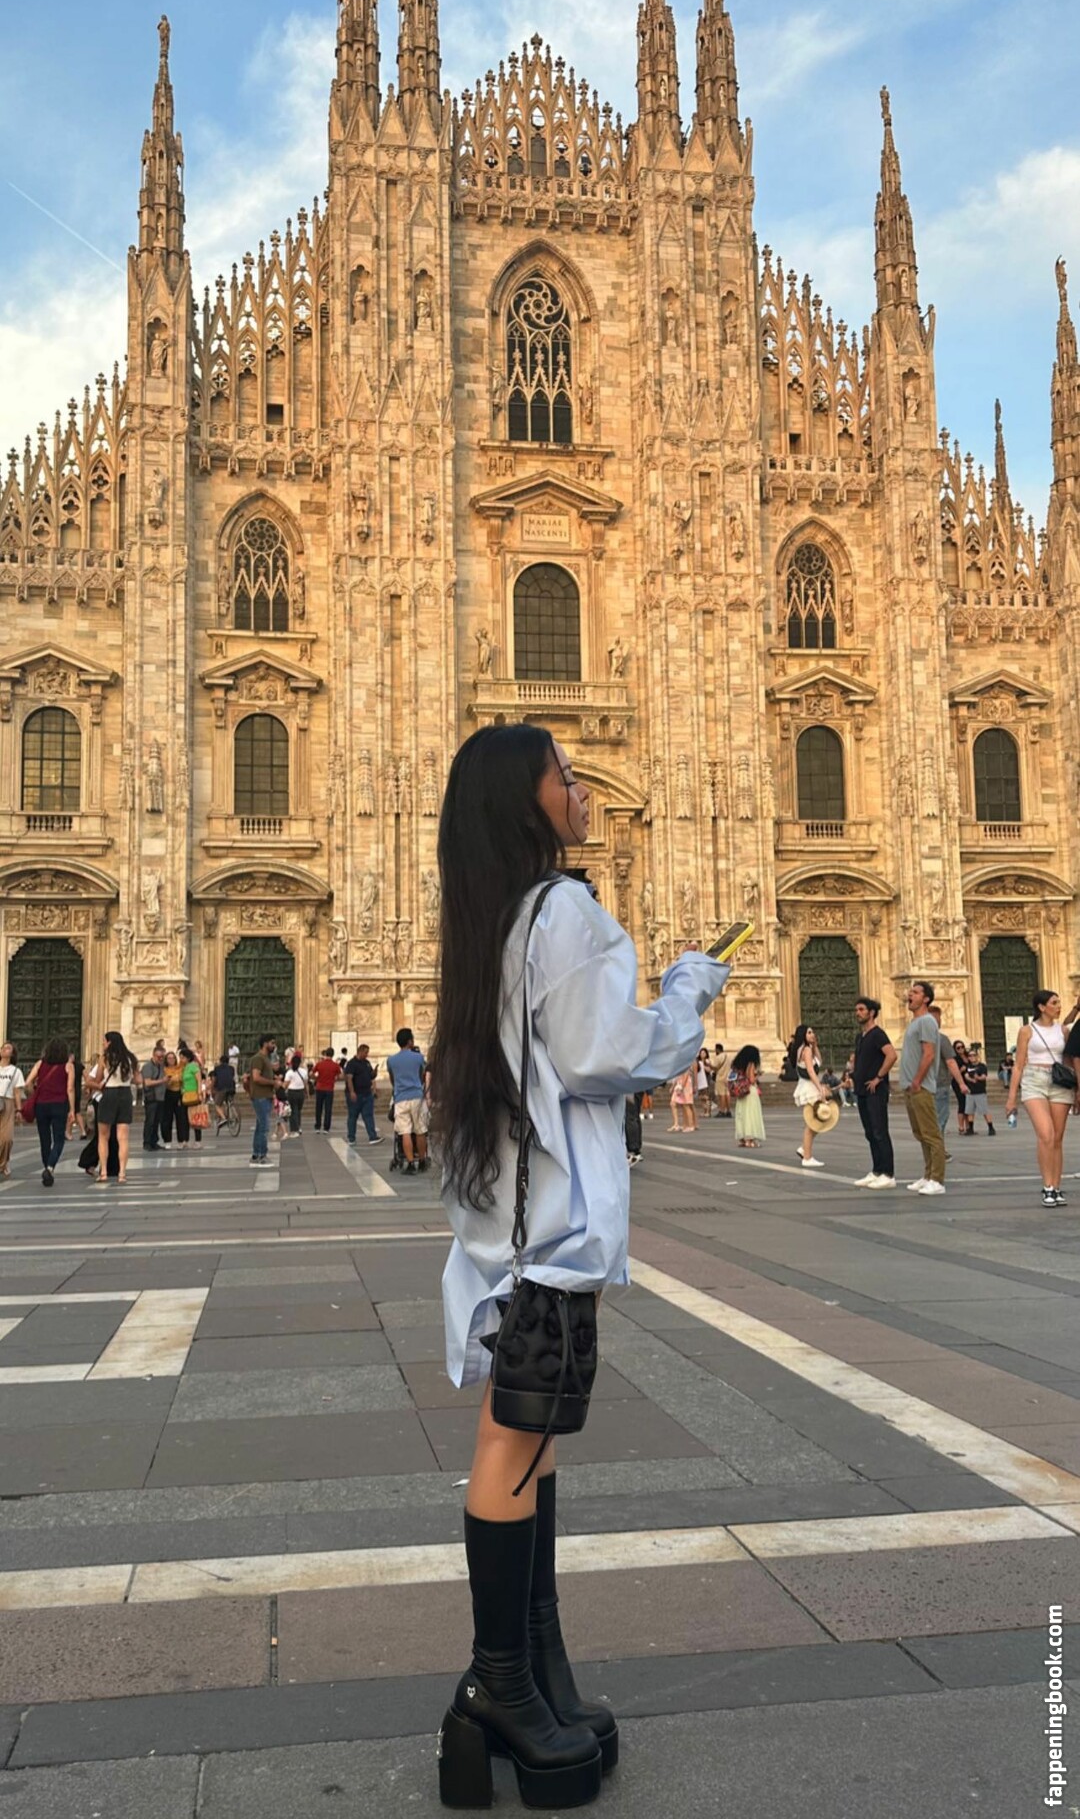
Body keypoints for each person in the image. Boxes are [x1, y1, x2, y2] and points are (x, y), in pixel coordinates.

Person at [431, 723, 728, 1810]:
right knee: (515, 1441)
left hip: (517, 1223)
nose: (583, 787)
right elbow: (609, 1056)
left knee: (530, 1435)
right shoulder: (560, 908)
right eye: (565, 775)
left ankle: (538, 1670)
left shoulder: (496, 916)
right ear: (530, 800)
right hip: (550, 1232)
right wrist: (688, 992)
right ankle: (498, 1688)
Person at [1009, 990, 1076, 1207]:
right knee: (1046, 1134)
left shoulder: (1063, 1030)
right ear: (1041, 1007)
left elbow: (1068, 1060)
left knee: (1057, 1138)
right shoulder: (1026, 1031)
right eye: (1054, 1003)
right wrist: (1011, 1098)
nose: (1058, 1006)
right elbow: (1018, 1065)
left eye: (1059, 1002)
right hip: (1034, 1080)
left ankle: (1056, 1186)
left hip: (1059, 1082)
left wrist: (1076, 1089)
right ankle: (1047, 1186)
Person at [898, 981, 946, 1195]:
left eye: (915, 992)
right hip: (911, 1086)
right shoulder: (915, 1022)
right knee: (921, 1133)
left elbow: (929, 1054)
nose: (910, 994)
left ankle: (937, 1180)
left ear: (926, 999)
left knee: (931, 1134)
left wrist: (917, 1080)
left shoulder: (927, 1021)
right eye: (911, 991)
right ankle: (927, 1175)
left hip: (921, 1087)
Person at [851, 997, 898, 1189]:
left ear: (871, 1013)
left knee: (879, 1131)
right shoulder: (860, 1037)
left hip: (876, 1091)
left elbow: (892, 1055)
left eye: (861, 1009)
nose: (858, 1013)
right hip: (862, 1090)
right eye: (857, 1010)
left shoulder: (878, 1034)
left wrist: (879, 1077)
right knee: (870, 1132)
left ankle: (888, 1174)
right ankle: (877, 1170)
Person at [87, 1031, 140, 1184]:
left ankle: (104, 1172)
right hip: (125, 1094)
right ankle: (122, 1173)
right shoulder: (131, 1058)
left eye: (104, 1041)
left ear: (109, 1042)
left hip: (109, 1094)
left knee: (103, 1136)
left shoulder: (105, 1058)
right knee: (123, 1138)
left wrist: (98, 1085)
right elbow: (138, 1079)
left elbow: (98, 1079)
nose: (103, 1044)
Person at [25, 1038, 76, 1188]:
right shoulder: (68, 1066)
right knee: (59, 1139)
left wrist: (33, 1094)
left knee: (44, 1139)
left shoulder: (40, 1064)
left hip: (41, 1105)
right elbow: (70, 1089)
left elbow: (27, 1083)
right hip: (59, 1105)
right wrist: (72, 1109)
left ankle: (47, 1169)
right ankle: (49, 1168)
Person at [387, 1027, 428, 1173]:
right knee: (420, 1130)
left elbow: (392, 1078)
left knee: (405, 1132)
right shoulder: (418, 1057)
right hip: (416, 1095)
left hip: (400, 1098)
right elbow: (422, 1075)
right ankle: (422, 1161)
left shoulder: (391, 1060)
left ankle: (410, 1163)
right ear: (410, 1041)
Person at [927, 1008, 968, 1153]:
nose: (939, 1022)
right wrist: (961, 1083)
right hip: (940, 1084)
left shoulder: (917, 1038)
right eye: (938, 1019)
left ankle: (932, 1150)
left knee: (928, 1121)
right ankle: (938, 1152)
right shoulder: (941, 1039)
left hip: (923, 1085)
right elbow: (951, 1062)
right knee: (940, 1119)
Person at [792, 1023, 830, 1168]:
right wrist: (820, 1088)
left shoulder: (807, 1049)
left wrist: (815, 1045)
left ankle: (804, 1148)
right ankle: (807, 1157)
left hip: (808, 1086)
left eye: (812, 1032)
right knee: (813, 1123)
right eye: (809, 1032)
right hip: (809, 1088)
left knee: (818, 1121)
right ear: (803, 1035)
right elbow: (811, 1071)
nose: (812, 1034)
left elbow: (819, 1061)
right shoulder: (806, 1050)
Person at [248, 1033, 277, 1168]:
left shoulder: (265, 1059)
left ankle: (256, 1155)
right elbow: (256, 1077)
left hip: (265, 1096)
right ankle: (261, 1156)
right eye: (272, 1043)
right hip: (260, 1097)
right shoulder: (258, 1058)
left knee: (260, 1126)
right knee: (264, 1127)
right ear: (265, 1044)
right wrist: (273, 1082)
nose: (274, 1046)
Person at [344, 1044, 382, 1146]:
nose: (367, 1054)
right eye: (365, 1052)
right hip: (356, 1094)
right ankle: (351, 1138)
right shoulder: (351, 1064)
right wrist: (352, 1092)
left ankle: (372, 1136)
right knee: (353, 1116)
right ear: (360, 1051)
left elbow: (371, 1076)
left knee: (368, 1115)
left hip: (367, 1093)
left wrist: (375, 1072)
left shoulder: (367, 1063)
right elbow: (349, 1078)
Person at [730, 1045, 765, 1146]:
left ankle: (743, 1138)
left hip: (742, 1092)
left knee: (742, 1115)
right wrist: (757, 1075)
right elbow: (751, 1080)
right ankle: (750, 1139)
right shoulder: (751, 1064)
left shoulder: (738, 1065)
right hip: (749, 1091)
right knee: (751, 1115)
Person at [0, 1043, 25, 1178]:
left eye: (8, 1048)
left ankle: (4, 1162)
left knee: (7, 1138)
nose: (4, 1049)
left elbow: (17, 1092)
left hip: (8, 1103)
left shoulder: (15, 1071)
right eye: (3, 1047)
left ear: (12, 1053)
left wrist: (19, 1110)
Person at [962, 1041, 995, 1135]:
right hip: (970, 1092)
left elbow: (984, 1076)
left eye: (974, 1055)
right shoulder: (968, 1066)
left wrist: (978, 1078)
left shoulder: (982, 1066)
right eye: (970, 1056)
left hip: (980, 1091)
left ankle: (991, 1127)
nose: (972, 1057)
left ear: (977, 1056)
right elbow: (966, 1075)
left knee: (984, 1110)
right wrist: (971, 1079)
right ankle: (970, 1129)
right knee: (970, 1111)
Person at [141, 1044, 166, 1150]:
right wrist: (162, 1081)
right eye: (159, 1057)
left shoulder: (161, 1066)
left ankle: (154, 1141)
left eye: (162, 1057)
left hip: (160, 1097)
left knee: (156, 1122)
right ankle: (147, 1142)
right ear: (153, 1055)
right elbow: (147, 1082)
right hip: (152, 1097)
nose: (161, 1059)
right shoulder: (147, 1066)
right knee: (150, 1121)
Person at [311, 1048, 342, 1133]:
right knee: (328, 1109)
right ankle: (326, 1128)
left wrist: (317, 1078)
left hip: (319, 1087)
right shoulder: (335, 1065)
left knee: (318, 1108)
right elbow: (340, 1076)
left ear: (325, 1054)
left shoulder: (319, 1064)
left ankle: (317, 1126)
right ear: (333, 1054)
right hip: (329, 1089)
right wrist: (334, 1079)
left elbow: (311, 1073)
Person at [178, 1045, 204, 1147]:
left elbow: (199, 1080)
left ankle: (198, 1140)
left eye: (182, 1058)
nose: (181, 1060)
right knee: (184, 1118)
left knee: (196, 1117)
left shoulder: (193, 1066)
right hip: (185, 1094)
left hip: (194, 1094)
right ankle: (185, 1140)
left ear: (188, 1058)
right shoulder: (183, 1068)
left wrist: (200, 1093)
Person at [160, 1050, 183, 1145]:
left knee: (180, 1118)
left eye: (173, 1058)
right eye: (169, 1058)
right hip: (168, 1093)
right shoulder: (164, 1069)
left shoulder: (179, 1068)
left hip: (179, 1093)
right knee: (167, 1118)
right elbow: (164, 1083)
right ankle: (167, 1140)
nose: (171, 1060)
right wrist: (170, 1081)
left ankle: (181, 1140)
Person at [283, 1052, 308, 1135]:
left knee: (293, 1110)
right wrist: (307, 1093)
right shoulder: (304, 1072)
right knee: (298, 1110)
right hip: (300, 1092)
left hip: (292, 1092)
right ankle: (298, 1126)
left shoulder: (289, 1073)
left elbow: (285, 1084)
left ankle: (294, 1128)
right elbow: (305, 1083)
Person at [210, 1049, 236, 1129]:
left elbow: (214, 1080)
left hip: (222, 1088)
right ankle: (234, 1114)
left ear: (220, 1061)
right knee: (229, 1101)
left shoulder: (217, 1068)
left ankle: (224, 1118)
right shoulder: (231, 1068)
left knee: (217, 1104)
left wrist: (212, 1088)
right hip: (232, 1088)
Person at [667, 1066, 696, 1132]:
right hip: (679, 1085)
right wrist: (673, 1086)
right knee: (673, 1103)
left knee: (686, 1105)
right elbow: (677, 1077)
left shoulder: (685, 1065)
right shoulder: (679, 1064)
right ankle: (676, 1124)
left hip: (685, 1086)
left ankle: (691, 1125)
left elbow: (686, 1075)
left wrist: (682, 1087)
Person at [712, 1042, 730, 1116]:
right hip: (727, 1078)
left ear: (717, 1049)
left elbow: (715, 1067)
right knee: (727, 1094)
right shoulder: (728, 1057)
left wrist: (709, 1065)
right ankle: (728, 1111)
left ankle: (722, 1111)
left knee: (721, 1095)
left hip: (720, 1077)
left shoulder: (718, 1057)